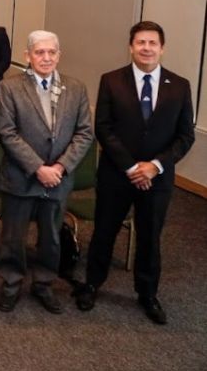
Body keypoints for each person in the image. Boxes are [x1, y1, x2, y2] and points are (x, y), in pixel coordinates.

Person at [75, 21, 195, 325]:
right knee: (104, 232)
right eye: (141, 42)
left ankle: (147, 294)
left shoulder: (180, 86)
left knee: (150, 237)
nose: (146, 48)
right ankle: (92, 284)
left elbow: (185, 136)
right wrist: (131, 166)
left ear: (162, 48)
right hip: (117, 174)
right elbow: (104, 128)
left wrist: (154, 166)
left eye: (153, 43)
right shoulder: (111, 80)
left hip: (158, 178)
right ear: (131, 47)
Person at [0, 30, 93, 313]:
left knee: (51, 238)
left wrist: (60, 167)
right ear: (27, 56)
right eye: (39, 52)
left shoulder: (76, 88)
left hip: (58, 180)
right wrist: (38, 168)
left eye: (52, 52)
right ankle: (11, 283)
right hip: (21, 177)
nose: (46, 58)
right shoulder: (10, 87)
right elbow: (8, 133)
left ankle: (44, 284)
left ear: (59, 55)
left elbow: (84, 133)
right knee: (13, 238)